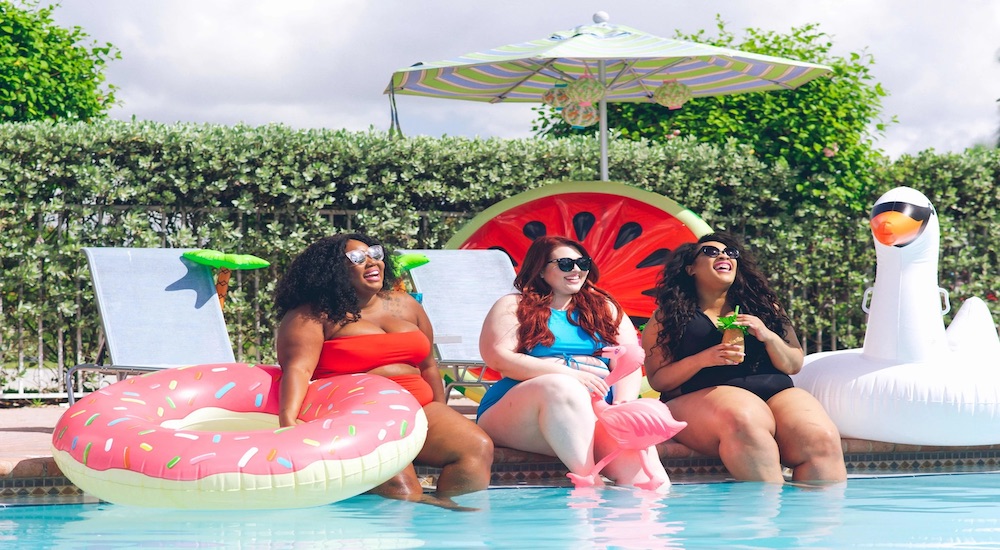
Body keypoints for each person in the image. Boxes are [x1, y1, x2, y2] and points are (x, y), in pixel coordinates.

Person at [274, 233, 494, 508]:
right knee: (403, 492)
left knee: (476, 447)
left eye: (375, 254)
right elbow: (298, 369)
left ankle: (450, 527)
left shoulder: (406, 305)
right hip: (361, 416)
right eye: (357, 258)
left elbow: (428, 366)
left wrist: (440, 410)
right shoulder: (313, 315)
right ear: (332, 270)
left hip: (420, 407)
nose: (371, 262)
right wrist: (288, 420)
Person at [641, 232, 847, 483]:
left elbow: (794, 363)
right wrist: (703, 359)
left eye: (730, 252)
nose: (723, 255)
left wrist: (767, 335)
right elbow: (659, 381)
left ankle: (811, 520)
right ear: (690, 268)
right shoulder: (668, 316)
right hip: (699, 399)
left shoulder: (764, 307)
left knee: (820, 437)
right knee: (745, 419)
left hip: (776, 393)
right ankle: (765, 517)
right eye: (710, 251)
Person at [477, 235, 670, 489]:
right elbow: (497, 356)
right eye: (566, 264)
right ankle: (590, 481)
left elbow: (629, 361)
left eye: (583, 262)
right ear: (541, 270)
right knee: (561, 386)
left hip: (595, 413)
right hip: (521, 414)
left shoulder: (605, 308)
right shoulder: (514, 305)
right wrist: (569, 374)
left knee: (646, 476)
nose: (577, 269)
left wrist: (622, 404)